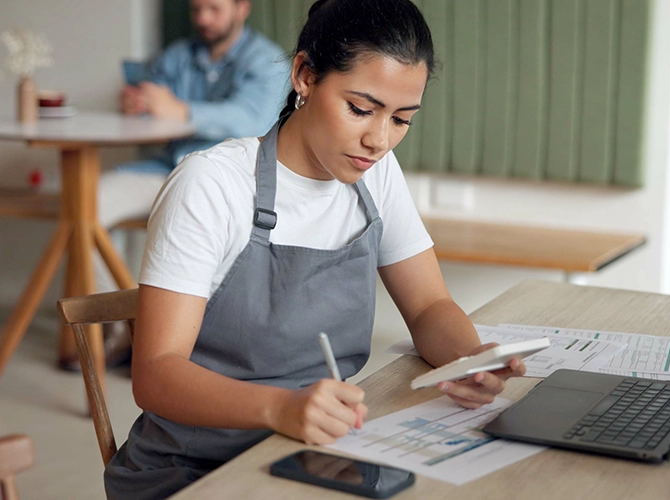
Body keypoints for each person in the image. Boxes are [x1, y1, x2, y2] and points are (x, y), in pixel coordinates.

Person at [104, 0, 526, 498]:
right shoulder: (213, 184)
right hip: (196, 470)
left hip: (317, 454)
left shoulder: (378, 176)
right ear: (304, 75)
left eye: (402, 120)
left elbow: (430, 306)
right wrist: (280, 408)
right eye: (361, 109)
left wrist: (469, 359)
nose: (379, 139)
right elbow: (154, 375)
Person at [84, 0, 290, 371]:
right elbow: (150, 99)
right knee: (85, 207)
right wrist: (137, 103)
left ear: (243, 7)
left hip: (226, 180)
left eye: (213, 9)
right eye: (196, 10)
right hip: (165, 169)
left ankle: (181, 340)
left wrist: (181, 110)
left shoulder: (267, 61)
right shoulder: (177, 56)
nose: (203, 19)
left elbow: (254, 119)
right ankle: (122, 331)